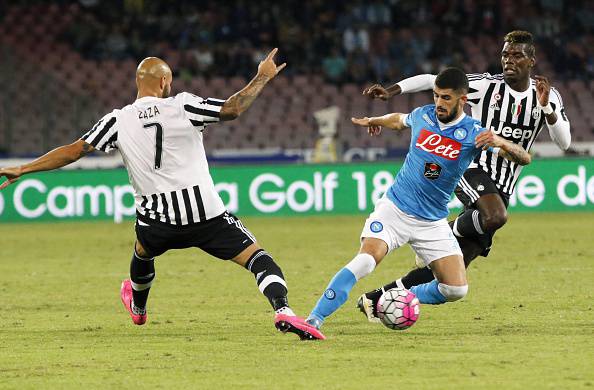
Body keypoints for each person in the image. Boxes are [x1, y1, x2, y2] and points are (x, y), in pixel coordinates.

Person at [0, 49, 325, 341]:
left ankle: (139, 308)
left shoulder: (117, 120)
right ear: (165, 81)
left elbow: (74, 151)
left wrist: (23, 169)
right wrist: (261, 77)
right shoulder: (182, 104)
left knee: (142, 252)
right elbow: (232, 109)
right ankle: (283, 310)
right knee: (258, 259)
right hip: (206, 215)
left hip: (157, 222)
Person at [357, 31, 571, 320]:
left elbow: (564, 142)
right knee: (496, 216)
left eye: (517, 55)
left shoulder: (547, 95)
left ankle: (377, 298)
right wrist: (392, 91)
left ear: (531, 60)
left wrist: (547, 109)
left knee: (452, 270)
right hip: (470, 168)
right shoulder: (485, 86)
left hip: (503, 184)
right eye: (506, 54)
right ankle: (441, 229)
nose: (509, 60)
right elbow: (432, 79)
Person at [305, 68, 531, 333]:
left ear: (463, 100)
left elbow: (524, 158)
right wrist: (375, 120)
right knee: (366, 260)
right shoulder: (423, 115)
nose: (438, 103)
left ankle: (398, 299)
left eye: (446, 98)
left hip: (432, 223)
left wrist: (501, 142)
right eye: (436, 96)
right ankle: (313, 319)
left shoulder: (474, 133)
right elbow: (399, 120)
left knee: (456, 289)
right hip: (394, 210)